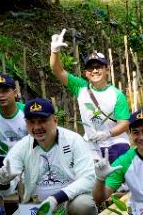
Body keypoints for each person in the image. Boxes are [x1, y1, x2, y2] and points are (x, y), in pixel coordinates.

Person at [0, 98, 102, 215]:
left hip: (68, 203)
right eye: (31, 122)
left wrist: (55, 198)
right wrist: (3, 182)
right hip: (38, 206)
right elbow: (5, 187)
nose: (37, 127)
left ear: (55, 120)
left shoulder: (73, 140)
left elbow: (88, 178)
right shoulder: (22, 146)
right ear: (25, 123)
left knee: (84, 205)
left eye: (43, 121)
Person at [49, 29, 131, 162]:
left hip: (116, 142)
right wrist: (54, 51)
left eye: (98, 67)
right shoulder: (80, 87)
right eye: (90, 68)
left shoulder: (116, 95)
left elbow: (124, 124)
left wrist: (107, 134)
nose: (95, 71)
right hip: (91, 145)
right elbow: (57, 70)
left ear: (107, 70)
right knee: (91, 179)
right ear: (86, 73)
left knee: (118, 180)